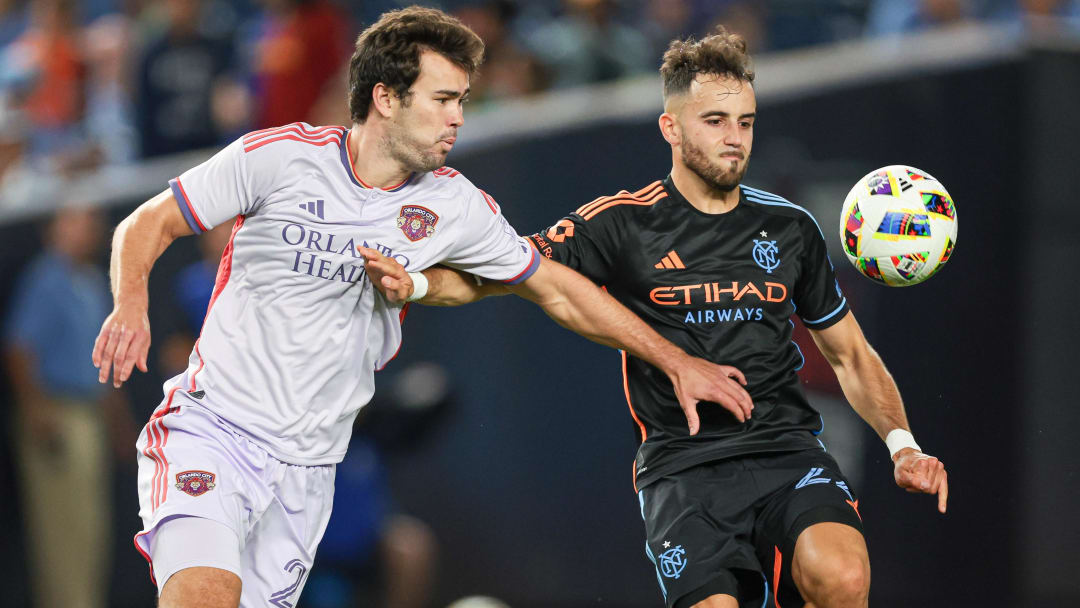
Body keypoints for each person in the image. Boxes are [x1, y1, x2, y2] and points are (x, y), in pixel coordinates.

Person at [90, 7, 753, 608]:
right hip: (216, 432)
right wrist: (130, 304)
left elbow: (556, 288)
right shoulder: (279, 159)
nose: (458, 116)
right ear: (385, 98)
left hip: (310, 469)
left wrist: (673, 360)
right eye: (442, 99)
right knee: (204, 596)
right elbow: (148, 224)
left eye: (461, 100)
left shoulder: (454, 205)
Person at [366, 27, 949, 608]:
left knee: (843, 579)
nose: (735, 139)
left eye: (745, 122)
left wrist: (903, 444)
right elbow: (505, 273)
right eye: (715, 121)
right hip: (684, 469)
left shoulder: (792, 228)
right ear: (671, 127)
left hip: (786, 451)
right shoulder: (620, 224)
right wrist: (418, 282)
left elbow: (850, 353)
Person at [4, 205, 135, 608]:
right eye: (75, 219)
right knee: (63, 529)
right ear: (53, 229)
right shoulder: (47, 278)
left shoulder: (94, 280)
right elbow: (18, 349)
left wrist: (119, 423)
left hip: (90, 413)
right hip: (57, 413)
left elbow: (104, 358)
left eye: (91, 219)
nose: (86, 227)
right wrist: (37, 412)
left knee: (92, 528)